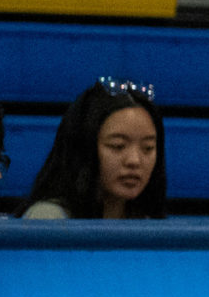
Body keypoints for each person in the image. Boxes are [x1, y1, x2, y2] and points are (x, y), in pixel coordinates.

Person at [20, 80, 165, 220]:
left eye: (148, 148)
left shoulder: (150, 222)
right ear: (84, 148)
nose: (134, 160)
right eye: (118, 146)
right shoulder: (49, 217)